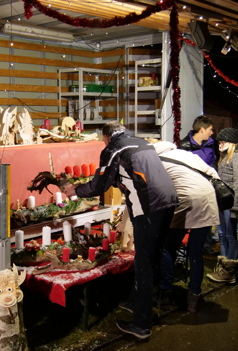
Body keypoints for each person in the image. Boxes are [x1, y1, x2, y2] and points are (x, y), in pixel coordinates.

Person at [63, 122, 178, 339]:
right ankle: (139, 301)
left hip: (148, 205)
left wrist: (75, 190)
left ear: (105, 137)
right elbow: (128, 175)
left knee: (143, 262)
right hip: (169, 200)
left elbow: (99, 185)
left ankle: (141, 324)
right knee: (153, 256)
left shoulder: (113, 148)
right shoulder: (141, 143)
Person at [152, 141, 220, 313]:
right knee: (195, 252)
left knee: (168, 247)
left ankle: (165, 292)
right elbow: (212, 172)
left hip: (184, 198)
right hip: (207, 197)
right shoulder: (185, 154)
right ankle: (194, 295)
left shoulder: (155, 160)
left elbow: (156, 190)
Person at [207, 128, 238, 284]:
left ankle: (229, 270)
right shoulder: (225, 157)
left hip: (229, 204)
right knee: (222, 234)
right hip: (222, 202)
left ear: (232, 143)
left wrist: (234, 205)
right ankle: (223, 266)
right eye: (219, 142)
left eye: (223, 142)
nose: (220, 145)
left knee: (229, 235)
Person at [179, 115, 219, 254]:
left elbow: (214, 163)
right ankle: (188, 248)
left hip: (207, 187)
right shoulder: (184, 146)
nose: (212, 132)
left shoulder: (212, 143)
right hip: (191, 187)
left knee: (206, 218)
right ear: (202, 129)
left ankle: (206, 246)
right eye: (210, 129)